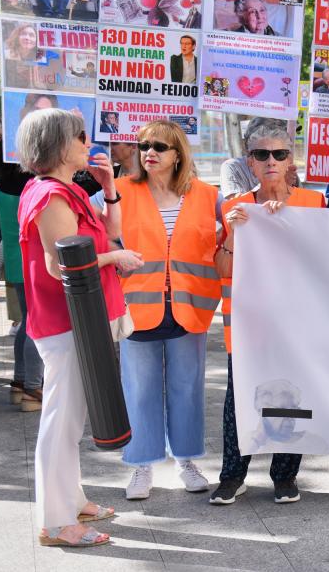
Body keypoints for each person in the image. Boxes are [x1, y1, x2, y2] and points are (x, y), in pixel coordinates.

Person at [17, 108, 142, 547]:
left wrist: (109, 190)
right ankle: (55, 522)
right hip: (66, 323)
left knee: (69, 419)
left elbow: (108, 235)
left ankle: (71, 499)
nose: (89, 143)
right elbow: (61, 265)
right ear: (58, 143)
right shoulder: (50, 195)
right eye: (81, 136)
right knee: (62, 420)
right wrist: (116, 259)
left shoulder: (65, 190)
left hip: (82, 321)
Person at [210, 118, 324, 505]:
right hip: (248, 325)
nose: (271, 161)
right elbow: (222, 269)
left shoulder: (312, 203)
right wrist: (235, 233)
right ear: (250, 162)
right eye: (262, 155)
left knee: (291, 394)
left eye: (279, 153)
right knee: (237, 398)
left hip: (298, 324)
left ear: (291, 159)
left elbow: (325, 259)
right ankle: (232, 475)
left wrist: (289, 224)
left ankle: (285, 475)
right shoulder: (236, 208)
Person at [111, 120, 221, 502]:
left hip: (190, 307)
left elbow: (230, 237)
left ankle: (186, 461)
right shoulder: (119, 191)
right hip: (137, 308)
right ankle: (142, 465)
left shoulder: (208, 195)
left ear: (178, 154)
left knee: (187, 388)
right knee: (139, 389)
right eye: (143, 146)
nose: (149, 152)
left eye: (159, 146)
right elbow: (88, 229)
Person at [0, 122, 44, 412]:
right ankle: (33, 388)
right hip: (34, 261)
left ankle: (20, 382)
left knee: (26, 322)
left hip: (14, 261)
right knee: (37, 325)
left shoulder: (2, 183)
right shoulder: (33, 185)